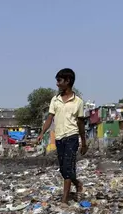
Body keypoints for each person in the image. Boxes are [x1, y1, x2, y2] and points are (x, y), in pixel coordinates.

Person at [37, 68, 88, 204]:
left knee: (68, 167)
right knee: (63, 169)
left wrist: (84, 142)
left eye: (59, 80)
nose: (57, 84)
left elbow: (81, 123)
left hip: (72, 137)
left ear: (68, 81)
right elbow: (50, 118)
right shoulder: (55, 100)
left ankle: (64, 199)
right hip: (59, 138)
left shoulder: (78, 102)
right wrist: (42, 133)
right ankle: (77, 183)